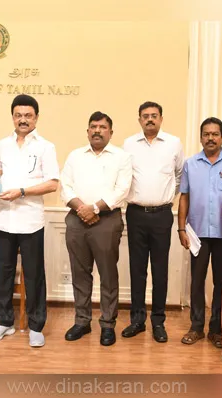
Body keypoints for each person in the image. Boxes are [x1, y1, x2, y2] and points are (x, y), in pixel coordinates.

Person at [0, 94, 59, 347]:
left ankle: (36, 326)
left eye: (28, 115)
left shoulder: (46, 147)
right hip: (4, 218)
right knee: (4, 272)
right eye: (18, 115)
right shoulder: (3, 144)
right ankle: (4, 322)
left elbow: (52, 184)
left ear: (36, 118)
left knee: (34, 274)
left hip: (30, 220)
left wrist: (22, 192)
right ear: (13, 117)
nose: (23, 120)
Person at [60, 111, 132, 346]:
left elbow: (122, 189)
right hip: (76, 219)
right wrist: (83, 209)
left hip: (107, 220)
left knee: (108, 274)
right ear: (87, 131)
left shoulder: (121, 157)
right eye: (93, 127)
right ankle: (82, 321)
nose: (97, 131)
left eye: (102, 127)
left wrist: (95, 209)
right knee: (80, 273)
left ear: (110, 132)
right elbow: (65, 187)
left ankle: (108, 324)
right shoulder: (75, 156)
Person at [177, 117, 222, 348]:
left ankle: (217, 329)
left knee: (221, 282)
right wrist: (181, 228)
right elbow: (184, 197)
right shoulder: (190, 164)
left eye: (215, 134)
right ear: (200, 137)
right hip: (197, 234)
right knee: (196, 281)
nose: (211, 138)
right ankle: (196, 327)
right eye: (206, 134)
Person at [121, 101, 183, 343]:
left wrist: (164, 198)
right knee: (137, 269)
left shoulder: (174, 143)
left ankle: (158, 321)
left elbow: (179, 176)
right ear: (139, 120)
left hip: (162, 215)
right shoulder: (128, 144)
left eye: (154, 115)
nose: (150, 119)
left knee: (160, 270)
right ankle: (137, 320)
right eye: (145, 116)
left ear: (161, 119)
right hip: (135, 213)